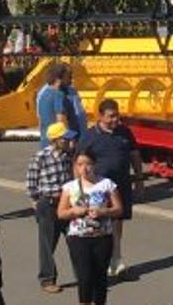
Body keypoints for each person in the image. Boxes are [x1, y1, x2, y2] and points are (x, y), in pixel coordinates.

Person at [76, 100, 142, 279]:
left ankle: (116, 259)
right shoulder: (90, 136)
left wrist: (139, 179)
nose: (115, 119)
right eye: (111, 116)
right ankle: (100, 262)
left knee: (117, 221)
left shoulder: (124, 132)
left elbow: (134, 155)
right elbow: (79, 162)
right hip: (99, 189)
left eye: (117, 115)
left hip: (121, 186)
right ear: (100, 116)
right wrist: (79, 188)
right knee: (100, 225)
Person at [58, 151, 122, 305]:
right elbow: (61, 213)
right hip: (78, 238)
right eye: (80, 165)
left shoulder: (106, 184)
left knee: (100, 277)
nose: (84, 168)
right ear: (75, 167)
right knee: (85, 277)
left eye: (88, 164)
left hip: (102, 237)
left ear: (94, 165)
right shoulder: (70, 187)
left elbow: (119, 209)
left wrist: (103, 211)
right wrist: (74, 211)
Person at [26, 121, 76, 294]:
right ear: (55, 140)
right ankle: (47, 279)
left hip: (66, 202)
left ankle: (84, 275)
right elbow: (31, 181)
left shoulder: (68, 155)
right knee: (47, 244)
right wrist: (35, 201)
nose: (69, 141)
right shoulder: (41, 156)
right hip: (48, 204)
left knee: (75, 238)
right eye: (65, 139)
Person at [37, 63, 80, 148]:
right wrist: (69, 139)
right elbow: (60, 120)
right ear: (59, 79)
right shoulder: (58, 95)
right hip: (59, 143)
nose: (71, 81)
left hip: (47, 140)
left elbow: (40, 119)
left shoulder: (43, 94)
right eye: (68, 77)